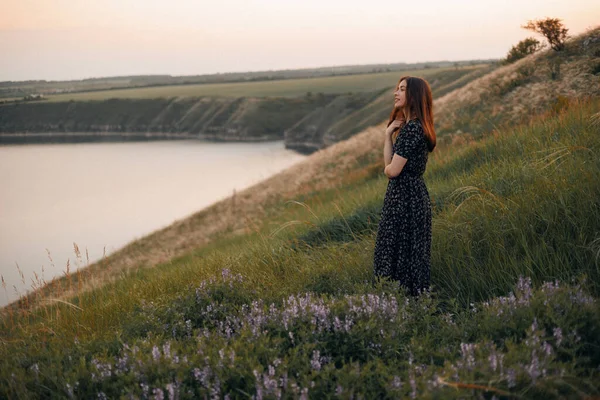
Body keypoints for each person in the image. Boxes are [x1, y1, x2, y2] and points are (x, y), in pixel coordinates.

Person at [373, 76, 436, 296]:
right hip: (406, 198)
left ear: (414, 95)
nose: (395, 93)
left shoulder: (413, 130)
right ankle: (406, 307)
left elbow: (392, 170)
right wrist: (388, 135)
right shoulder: (412, 127)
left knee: (398, 254)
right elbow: (389, 165)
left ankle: (402, 309)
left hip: (407, 201)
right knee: (404, 255)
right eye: (397, 89)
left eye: (401, 89)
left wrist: (388, 169)